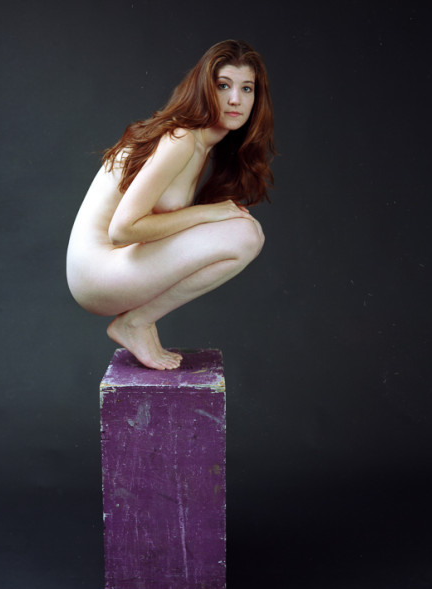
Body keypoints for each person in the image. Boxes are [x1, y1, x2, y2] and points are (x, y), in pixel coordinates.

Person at [66, 39, 275, 370]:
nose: (235, 99)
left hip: (111, 269)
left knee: (248, 232)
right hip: (96, 273)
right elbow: (122, 229)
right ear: (205, 89)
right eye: (223, 85)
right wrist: (208, 212)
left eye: (246, 88)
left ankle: (136, 322)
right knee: (246, 235)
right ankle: (136, 323)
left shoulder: (201, 144)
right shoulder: (182, 140)